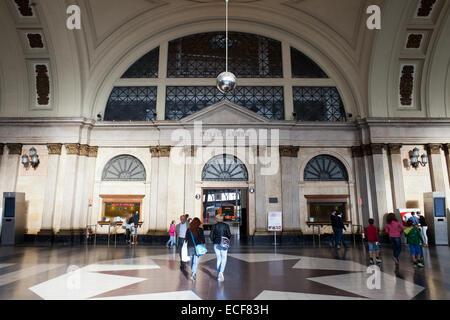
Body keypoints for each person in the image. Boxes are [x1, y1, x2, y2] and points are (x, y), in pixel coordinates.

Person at [210, 214, 232, 282]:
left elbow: (211, 236)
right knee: (224, 258)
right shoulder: (226, 226)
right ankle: (221, 272)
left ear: (217, 219)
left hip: (216, 243)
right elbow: (229, 235)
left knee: (218, 258)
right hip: (224, 243)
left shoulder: (214, 226)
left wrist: (214, 241)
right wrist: (226, 239)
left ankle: (219, 274)